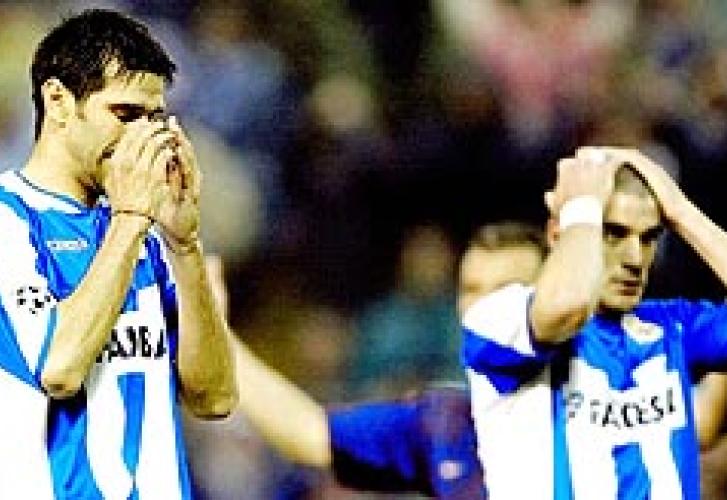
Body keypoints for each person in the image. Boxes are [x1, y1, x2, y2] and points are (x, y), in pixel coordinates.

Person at [0, 9, 237, 499]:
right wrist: (130, 220)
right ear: (58, 101)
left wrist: (185, 244)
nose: (141, 140)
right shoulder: (11, 220)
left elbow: (215, 398)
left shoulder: (148, 234)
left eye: (154, 120)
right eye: (125, 115)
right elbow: (60, 367)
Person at [462, 146, 727, 499]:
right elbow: (567, 305)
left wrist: (681, 211)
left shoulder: (672, 328)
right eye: (613, 233)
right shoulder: (497, 320)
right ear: (558, 234)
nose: (635, 258)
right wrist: (582, 209)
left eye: (648, 238)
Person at [217, 221, 546, 499]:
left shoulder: (575, 400)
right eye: (471, 290)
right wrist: (217, 334)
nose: (484, 306)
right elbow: (311, 432)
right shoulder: (444, 422)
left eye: (506, 289)